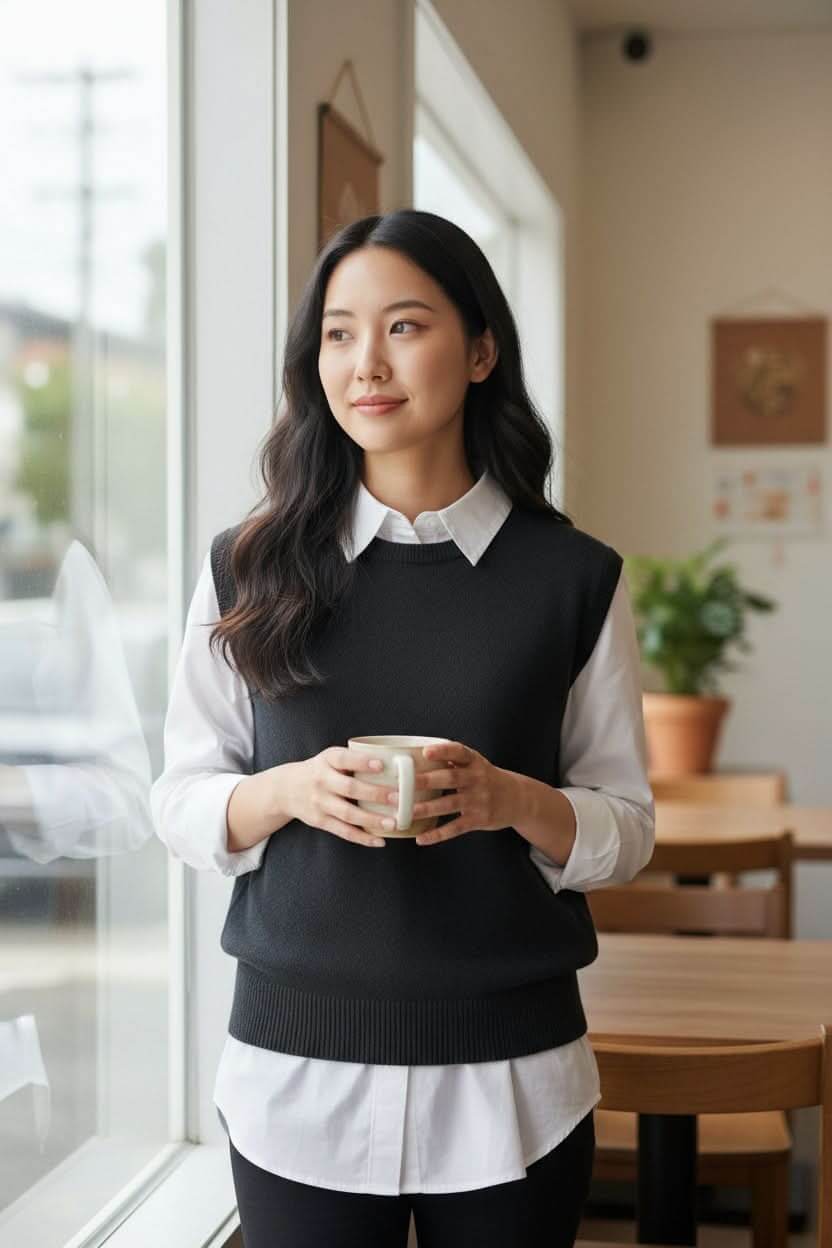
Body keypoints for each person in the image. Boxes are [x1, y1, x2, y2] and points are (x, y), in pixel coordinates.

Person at [150, 209, 655, 1248]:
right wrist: (287, 790)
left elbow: (627, 829)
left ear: (479, 351)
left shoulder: (573, 580)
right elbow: (179, 801)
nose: (364, 363)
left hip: (513, 1079)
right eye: (337, 333)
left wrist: (509, 800)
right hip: (296, 1076)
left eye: (403, 327)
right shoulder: (246, 569)